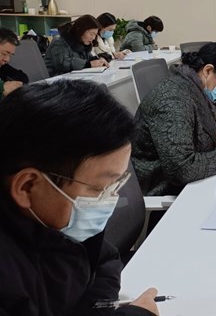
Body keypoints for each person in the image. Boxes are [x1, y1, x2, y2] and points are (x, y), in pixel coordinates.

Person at [0, 80, 159, 316]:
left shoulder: (60, 223)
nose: (110, 199)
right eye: (99, 188)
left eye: (115, 184)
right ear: (27, 187)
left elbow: (104, 262)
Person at [132, 42, 216, 196]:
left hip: (192, 181)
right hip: (164, 187)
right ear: (208, 70)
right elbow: (181, 169)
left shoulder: (194, 88)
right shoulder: (173, 100)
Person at [44, 14, 109, 76]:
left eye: (95, 35)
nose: (93, 38)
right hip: (53, 78)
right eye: (91, 34)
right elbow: (62, 63)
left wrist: (99, 60)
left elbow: (88, 59)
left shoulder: (81, 41)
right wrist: (88, 64)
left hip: (70, 77)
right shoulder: (59, 41)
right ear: (81, 30)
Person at [0, 28, 29, 99]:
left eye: (10, 55)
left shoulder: (2, 66)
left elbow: (23, 77)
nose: (7, 59)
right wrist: (2, 88)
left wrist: (13, 84)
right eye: (4, 54)